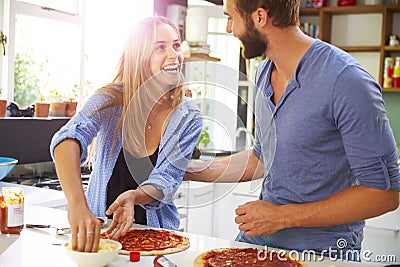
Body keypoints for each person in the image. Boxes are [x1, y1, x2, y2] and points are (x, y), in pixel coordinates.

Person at [185, 0, 400, 259]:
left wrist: (281, 217)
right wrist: (187, 171)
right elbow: (261, 158)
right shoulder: (265, 71)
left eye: (231, 18)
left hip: (322, 252)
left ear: (260, 17)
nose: (230, 29)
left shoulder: (347, 81)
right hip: (259, 241)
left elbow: (384, 195)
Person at [50, 16, 202, 252]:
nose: (174, 55)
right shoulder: (109, 100)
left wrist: (134, 196)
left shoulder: (188, 115)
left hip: (158, 238)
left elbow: (166, 179)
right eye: (160, 48)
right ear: (139, 57)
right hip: (101, 234)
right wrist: (76, 204)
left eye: (175, 45)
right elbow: (68, 137)